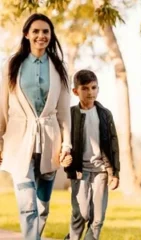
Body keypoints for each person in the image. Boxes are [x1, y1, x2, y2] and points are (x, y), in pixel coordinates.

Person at [0, 13, 72, 240]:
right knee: (27, 203)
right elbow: (2, 105)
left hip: (50, 142)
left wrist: (67, 144)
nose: (41, 36)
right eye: (36, 31)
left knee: (42, 207)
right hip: (19, 141)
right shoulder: (12, 65)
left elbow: (63, 111)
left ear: (51, 36)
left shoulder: (59, 67)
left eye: (46, 32)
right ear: (26, 34)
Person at [64, 70, 119, 240]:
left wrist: (114, 173)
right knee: (80, 214)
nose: (90, 92)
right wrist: (64, 157)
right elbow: (62, 139)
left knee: (98, 217)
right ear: (76, 91)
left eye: (94, 88)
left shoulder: (105, 114)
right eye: (85, 89)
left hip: (101, 170)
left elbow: (113, 144)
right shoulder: (70, 114)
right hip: (79, 171)